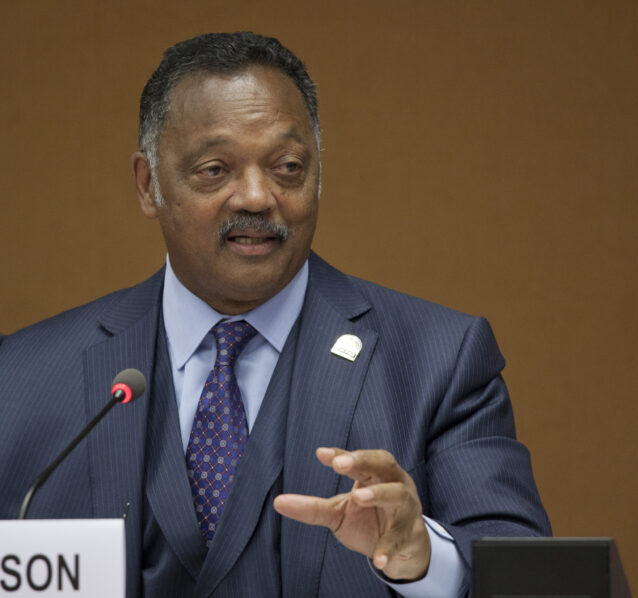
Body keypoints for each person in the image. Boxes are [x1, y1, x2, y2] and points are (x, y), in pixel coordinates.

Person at [0, 32, 550, 597]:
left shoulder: (438, 362)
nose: (257, 197)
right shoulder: (18, 377)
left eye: (287, 166)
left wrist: (426, 559)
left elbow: (532, 578)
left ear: (318, 174)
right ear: (149, 185)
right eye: (215, 169)